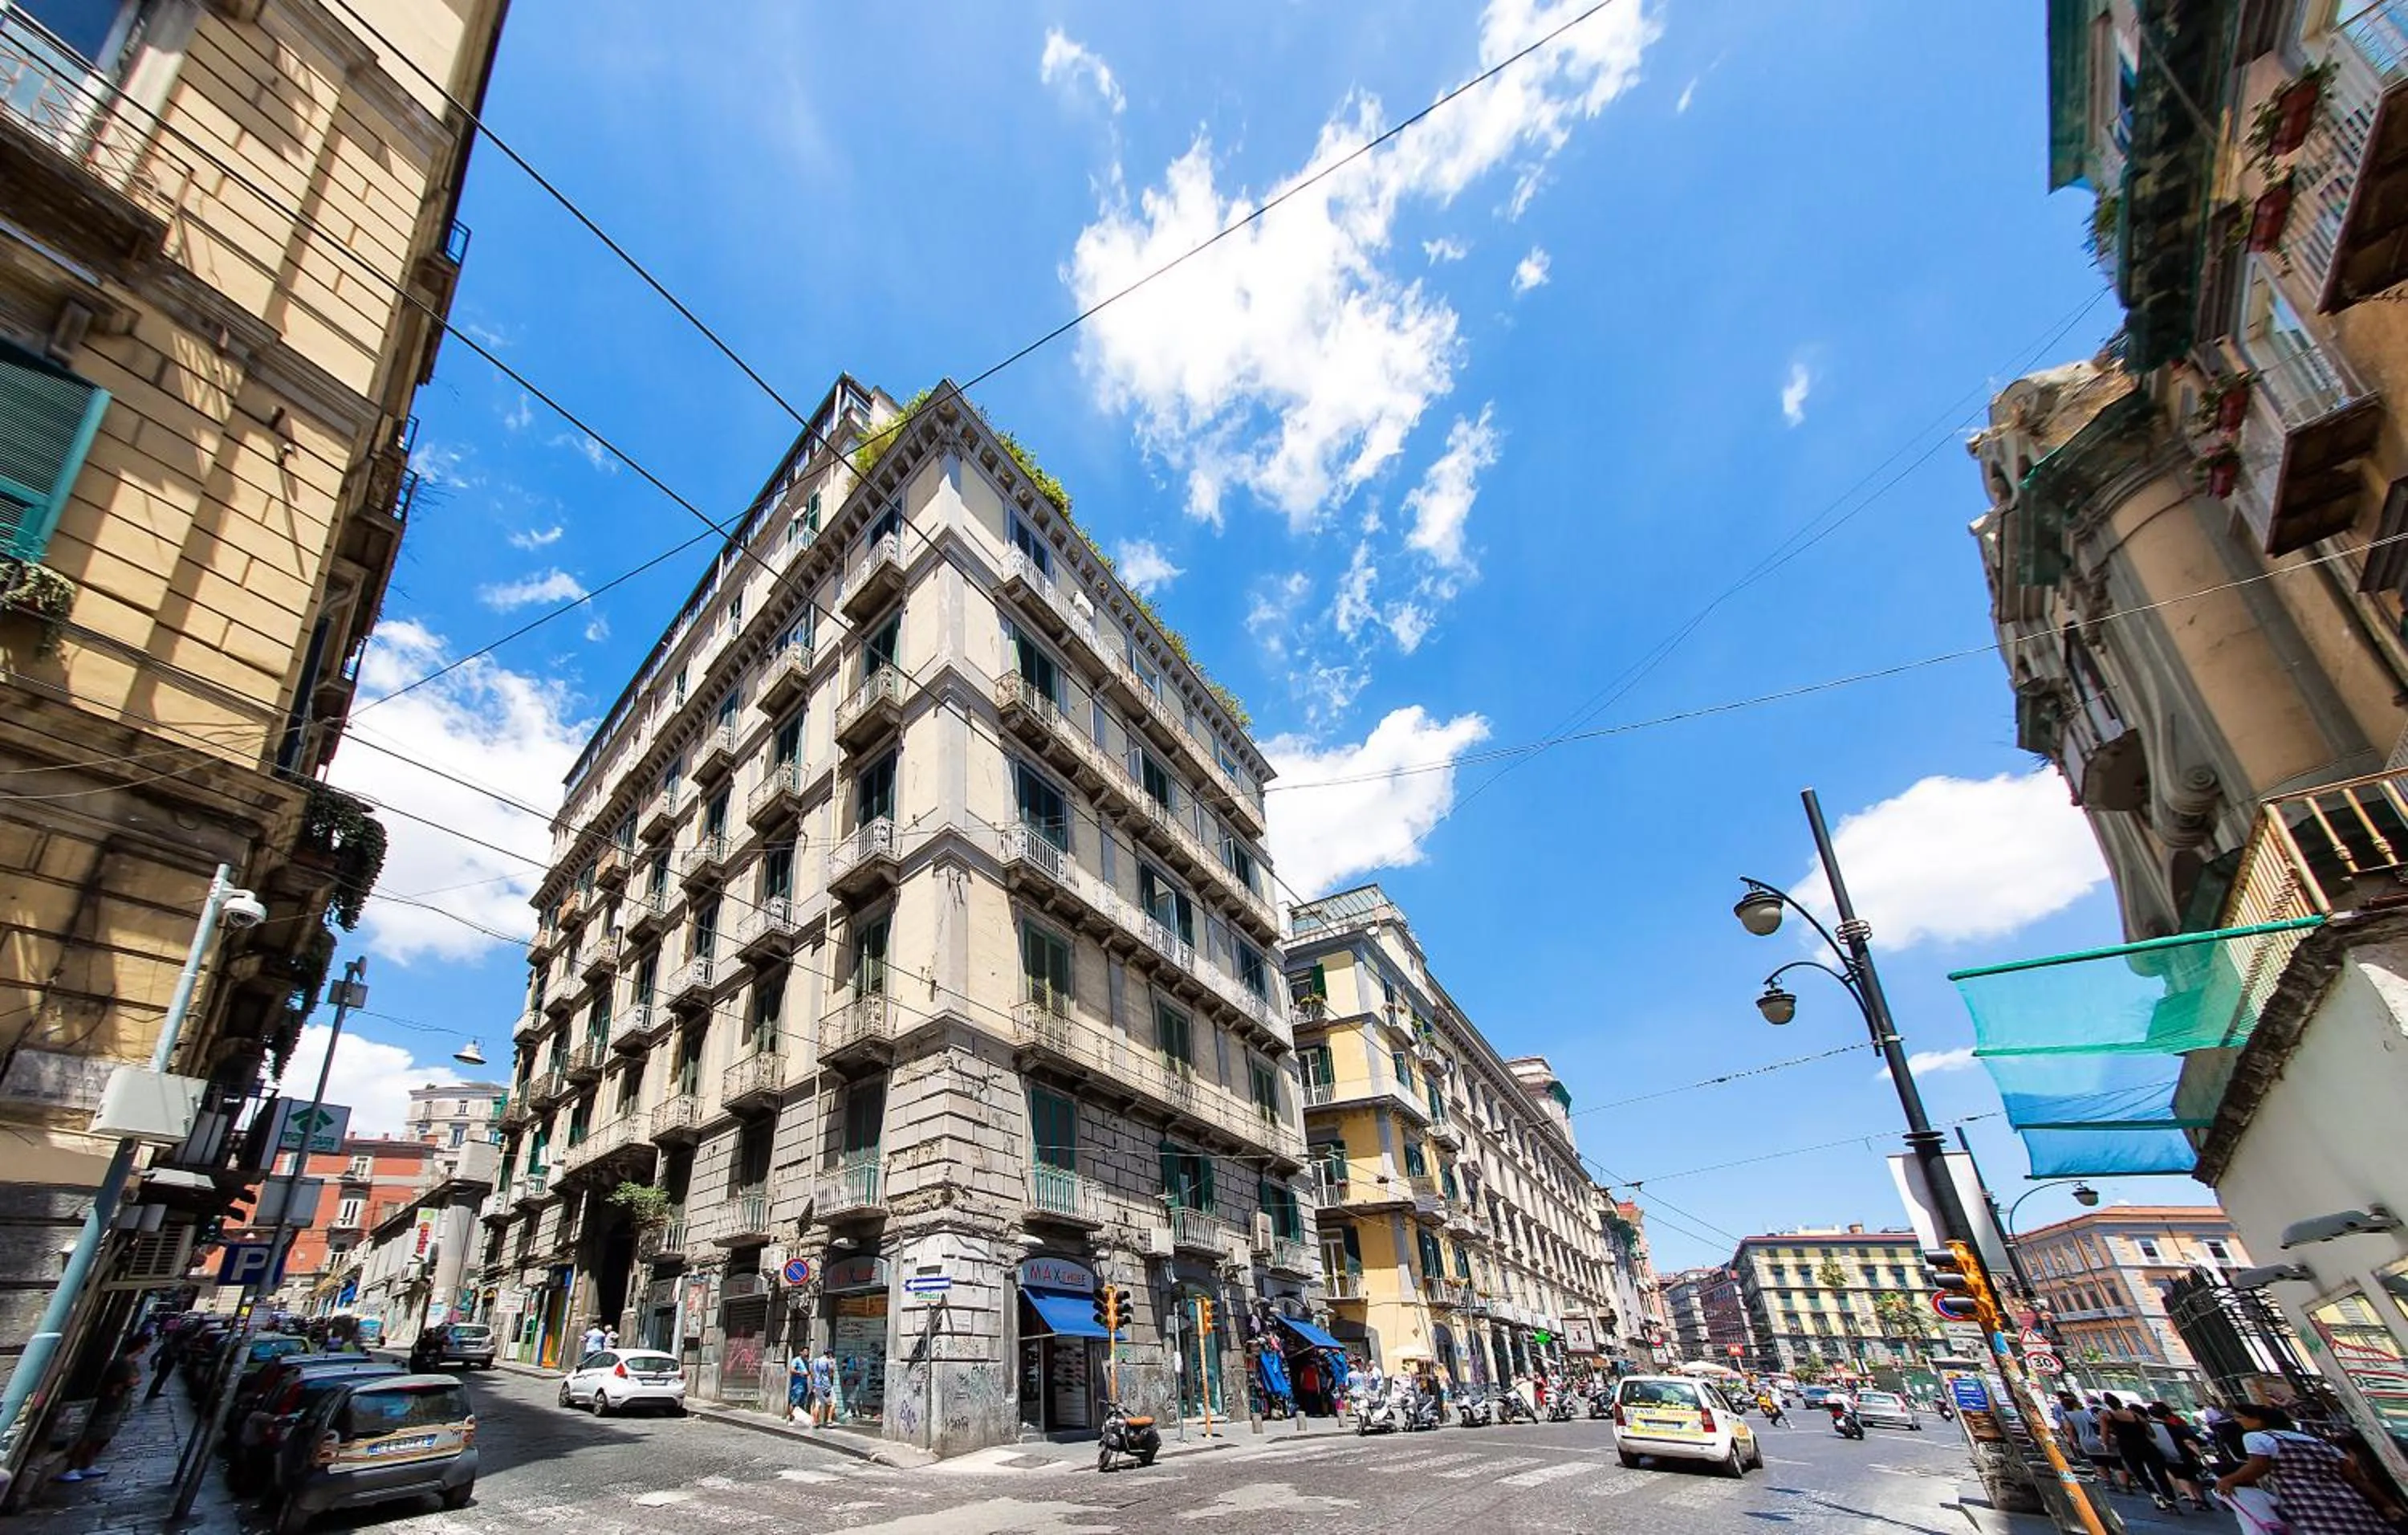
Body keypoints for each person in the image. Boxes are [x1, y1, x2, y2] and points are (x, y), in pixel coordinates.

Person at [2215, 1403, 2404, 1534]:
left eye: (2240, 1417)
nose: (2237, 1421)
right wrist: (2387, 1504)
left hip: (2308, 1502)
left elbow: (2258, 1468)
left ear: (2258, 1420)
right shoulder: (2318, 1441)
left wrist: (2228, 1480)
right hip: (2349, 1501)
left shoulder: (2258, 1438)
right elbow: (2356, 1478)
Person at [56, 1338, 145, 1484]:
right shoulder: (122, 1362)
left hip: (114, 1403)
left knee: (99, 1437)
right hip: (106, 1403)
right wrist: (132, 1380)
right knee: (90, 1436)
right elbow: (130, 1380)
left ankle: (86, 1465)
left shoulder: (127, 1362)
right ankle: (71, 1467)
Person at [2101, 1392, 2180, 1509]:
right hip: (2145, 1444)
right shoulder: (2135, 1414)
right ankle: (2169, 1497)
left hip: (2127, 1447)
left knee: (2140, 1473)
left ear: (2107, 1404)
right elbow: (2150, 1431)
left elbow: (2104, 1433)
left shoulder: (2106, 1415)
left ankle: (2155, 1495)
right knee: (2159, 1472)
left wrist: (2106, 1445)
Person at [2147, 1402, 2213, 1512]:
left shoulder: (2150, 1429)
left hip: (2167, 1456)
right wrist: (2201, 1456)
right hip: (2183, 1455)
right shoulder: (2174, 1427)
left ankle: (2193, 1498)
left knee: (2180, 1477)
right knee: (2193, 1477)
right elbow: (2189, 1442)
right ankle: (2202, 1500)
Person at [787, 1346, 810, 1424]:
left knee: (802, 1401)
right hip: (797, 1384)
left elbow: (808, 1372)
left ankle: (798, 1418)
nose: (806, 1353)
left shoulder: (806, 1362)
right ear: (801, 1352)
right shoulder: (796, 1360)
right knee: (794, 1401)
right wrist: (800, 1373)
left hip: (804, 1383)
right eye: (805, 1351)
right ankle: (790, 1418)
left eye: (807, 1352)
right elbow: (792, 1370)